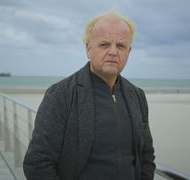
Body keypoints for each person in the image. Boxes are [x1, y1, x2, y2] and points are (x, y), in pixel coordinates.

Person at [23, 11, 155, 180]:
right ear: (88, 48)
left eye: (121, 46)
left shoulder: (137, 96)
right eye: (104, 44)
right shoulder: (61, 95)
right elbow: (37, 163)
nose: (113, 52)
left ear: (129, 51)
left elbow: (146, 156)